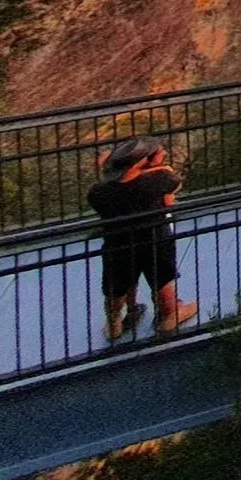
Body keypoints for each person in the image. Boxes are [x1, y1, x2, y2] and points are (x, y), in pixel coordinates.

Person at [87, 137, 197, 341]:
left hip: (117, 245)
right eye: (160, 155)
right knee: (161, 280)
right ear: (146, 161)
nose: (163, 157)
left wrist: (112, 169)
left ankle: (114, 324)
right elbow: (173, 180)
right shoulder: (157, 182)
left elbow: (116, 184)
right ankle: (169, 316)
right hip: (155, 241)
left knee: (117, 284)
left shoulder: (99, 193)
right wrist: (150, 169)